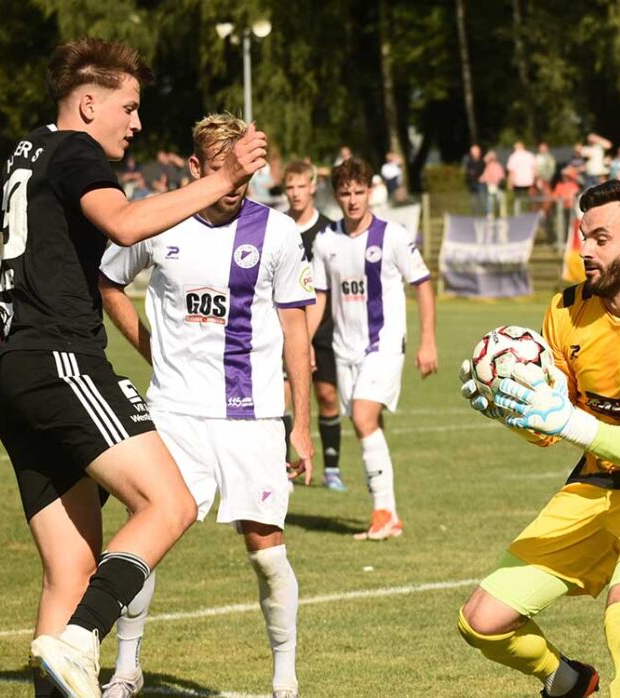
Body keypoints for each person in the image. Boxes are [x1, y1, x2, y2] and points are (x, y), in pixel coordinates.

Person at [0, 38, 266, 697]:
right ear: (88, 102)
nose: (135, 124)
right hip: (62, 362)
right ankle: (82, 642)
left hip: (15, 379)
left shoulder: (28, 156)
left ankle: (67, 651)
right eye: (129, 108)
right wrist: (221, 180)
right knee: (170, 502)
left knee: (71, 572)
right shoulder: (76, 152)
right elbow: (127, 224)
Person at [457, 179, 620, 698]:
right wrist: (512, 410)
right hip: (596, 481)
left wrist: (570, 423)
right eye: (583, 236)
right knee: (481, 621)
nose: (585, 250)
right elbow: (551, 431)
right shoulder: (565, 311)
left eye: (601, 238)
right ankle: (566, 681)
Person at [98, 113, 314, 698]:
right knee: (145, 533)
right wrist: (149, 347)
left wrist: (302, 425)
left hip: (254, 415)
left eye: (245, 169)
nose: (236, 182)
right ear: (196, 169)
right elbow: (108, 281)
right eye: (224, 170)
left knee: (267, 551)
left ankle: (285, 680)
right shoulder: (159, 224)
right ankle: (125, 669)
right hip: (173, 413)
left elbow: (296, 331)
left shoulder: (278, 233)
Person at [309, 158, 438, 540]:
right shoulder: (326, 241)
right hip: (343, 349)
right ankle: (389, 515)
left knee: (364, 417)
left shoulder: (393, 236)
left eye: (359, 192)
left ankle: (382, 513)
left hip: (383, 345)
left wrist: (427, 340)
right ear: (336, 196)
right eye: (345, 193)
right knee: (366, 424)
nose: (352, 200)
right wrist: (301, 344)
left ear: (370, 193)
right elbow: (319, 297)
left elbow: (423, 284)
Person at [283, 160, 344, 491]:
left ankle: (332, 469)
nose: (294, 193)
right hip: (287, 328)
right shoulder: (279, 228)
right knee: (284, 397)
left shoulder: (329, 231)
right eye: (289, 187)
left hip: (323, 328)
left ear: (312, 188)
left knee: (326, 395)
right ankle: (284, 470)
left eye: (300, 186)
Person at [463, 144, 487, 215]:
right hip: (473, 184)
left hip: (481, 184)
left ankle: (486, 215)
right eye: (475, 152)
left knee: (483, 200)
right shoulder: (469, 162)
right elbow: (467, 172)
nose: (477, 153)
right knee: (474, 201)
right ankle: (475, 216)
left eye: (478, 151)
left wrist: (483, 177)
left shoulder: (483, 162)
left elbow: (486, 171)